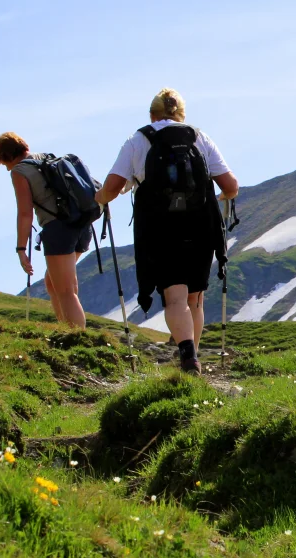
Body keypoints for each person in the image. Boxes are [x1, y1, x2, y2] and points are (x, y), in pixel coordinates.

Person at [95, 88, 238, 374]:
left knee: (174, 296)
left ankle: (187, 355)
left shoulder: (138, 140)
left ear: (152, 114)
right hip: (200, 224)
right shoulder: (199, 137)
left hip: (160, 226)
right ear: (181, 114)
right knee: (194, 297)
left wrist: (99, 200)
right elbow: (231, 185)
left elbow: (112, 188)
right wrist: (219, 199)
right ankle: (193, 359)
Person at [0, 132, 91, 329]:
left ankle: (76, 338)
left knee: (65, 290)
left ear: (6, 156)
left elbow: (25, 214)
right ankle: (65, 330)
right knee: (54, 283)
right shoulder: (48, 158)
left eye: (4, 163)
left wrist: (21, 249)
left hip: (57, 228)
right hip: (82, 224)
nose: (6, 168)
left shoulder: (20, 171)